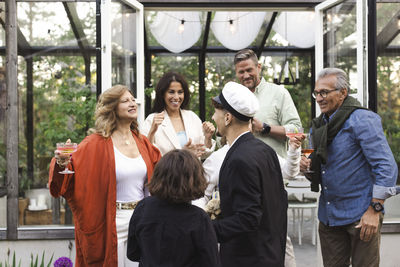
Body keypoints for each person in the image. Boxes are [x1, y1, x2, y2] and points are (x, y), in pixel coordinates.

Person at [49, 85, 161, 267]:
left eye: (133, 99)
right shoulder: (95, 143)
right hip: (111, 224)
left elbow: (160, 176)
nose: (132, 103)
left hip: (142, 222)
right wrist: (62, 162)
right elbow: (68, 175)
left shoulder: (142, 142)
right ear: (112, 108)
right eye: (125, 101)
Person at [300, 68, 398, 267]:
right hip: (329, 218)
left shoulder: (362, 119)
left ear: (343, 93)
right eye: (317, 93)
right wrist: (308, 169)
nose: (319, 98)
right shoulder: (318, 126)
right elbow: (323, 173)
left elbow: (386, 166)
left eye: (325, 92)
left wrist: (375, 209)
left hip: (362, 216)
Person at [211, 81, 287, 267]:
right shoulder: (264, 150)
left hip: (248, 258)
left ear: (228, 118)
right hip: (270, 253)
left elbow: (248, 218)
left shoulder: (239, 158)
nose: (213, 117)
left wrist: (205, 228)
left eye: (217, 112)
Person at [127, 149, 220, 267]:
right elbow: (211, 262)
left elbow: (132, 253)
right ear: (194, 179)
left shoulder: (143, 208)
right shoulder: (198, 218)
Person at [234, 48, 302, 158]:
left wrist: (265, 128)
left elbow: (297, 130)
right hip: (242, 168)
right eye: (241, 72)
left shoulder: (279, 93)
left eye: (249, 70)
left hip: (274, 169)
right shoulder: (233, 99)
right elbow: (221, 141)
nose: (246, 76)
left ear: (259, 67)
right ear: (236, 73)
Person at [141, 71, 215, 158]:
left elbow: (204, 154)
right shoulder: (152, 120)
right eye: (171, 92)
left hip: (193, 171)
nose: (176, 97)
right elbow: (146, 154)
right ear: (162, 94)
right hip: (166, 171)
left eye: (180, 92)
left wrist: (208, 138)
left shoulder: (192, 117)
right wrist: (152, 131)